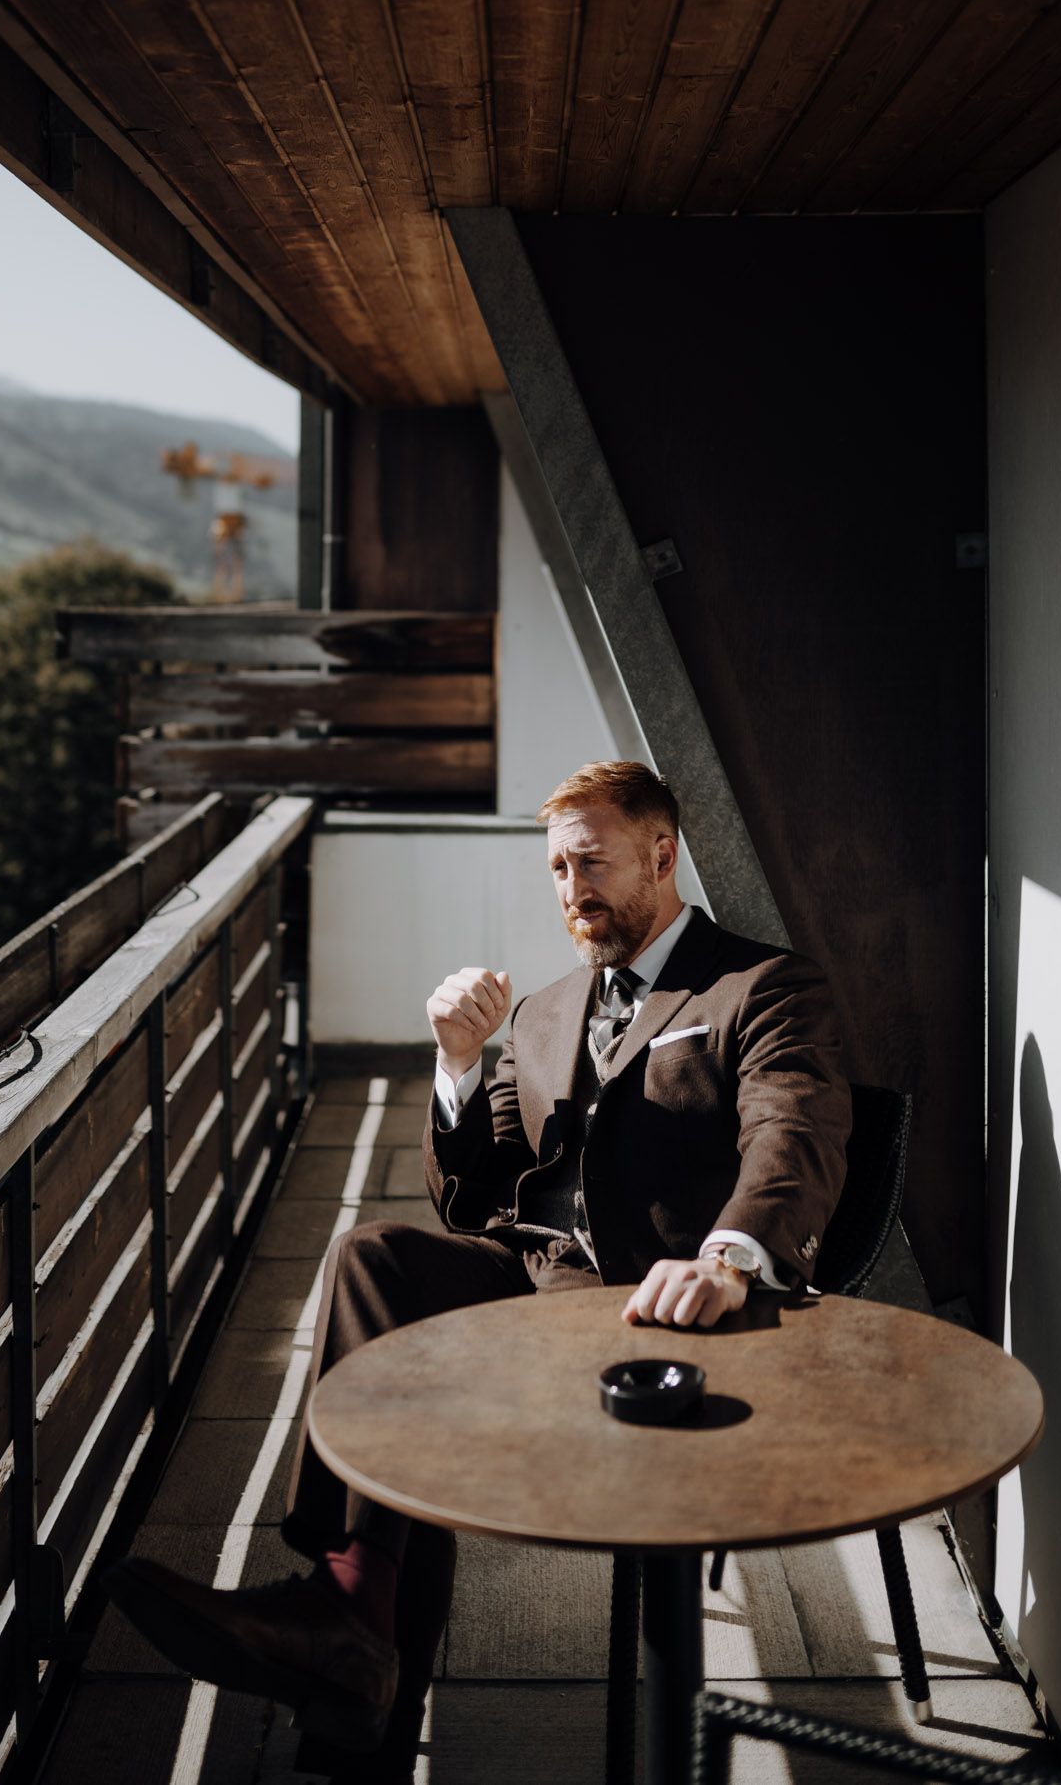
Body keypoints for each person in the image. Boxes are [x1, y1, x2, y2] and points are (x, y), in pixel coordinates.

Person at [105, 761, 852, 1779]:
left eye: (590, 860)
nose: (570, 888)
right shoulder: (543, 1012)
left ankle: (352, 1665)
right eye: (554, 867)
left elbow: (792, 1132)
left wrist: (726, 1258)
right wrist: (457, 1067)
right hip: (529, 1284)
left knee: (415, 1408)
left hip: (648, 1310)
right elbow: (470, 1198)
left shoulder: (757, 986)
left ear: (663, 852)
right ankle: (350, 1610)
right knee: (372, 1257)